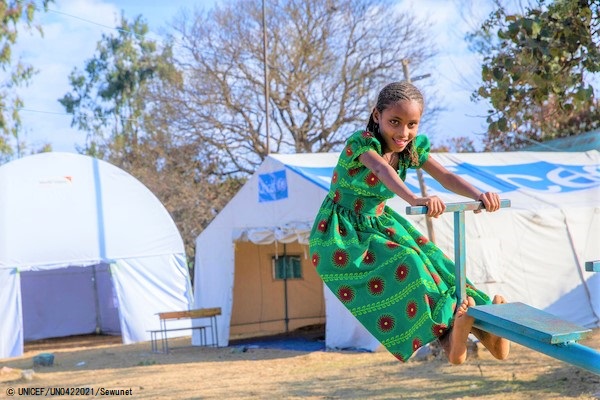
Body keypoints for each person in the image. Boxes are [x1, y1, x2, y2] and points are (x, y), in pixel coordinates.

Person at [308, 81, 510, 364]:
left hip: (376, 222)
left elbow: (445, 176)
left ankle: (483, 332)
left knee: (436, 263)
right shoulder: (362, 143)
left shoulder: (411, 148)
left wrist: (479, 194)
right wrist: (414, 198)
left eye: (412, 124)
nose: (403, 133)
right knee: (409, 261)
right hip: (341, 234)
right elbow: (380, 168)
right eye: (395, 122)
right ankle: (453, 342)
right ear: (377, 116)